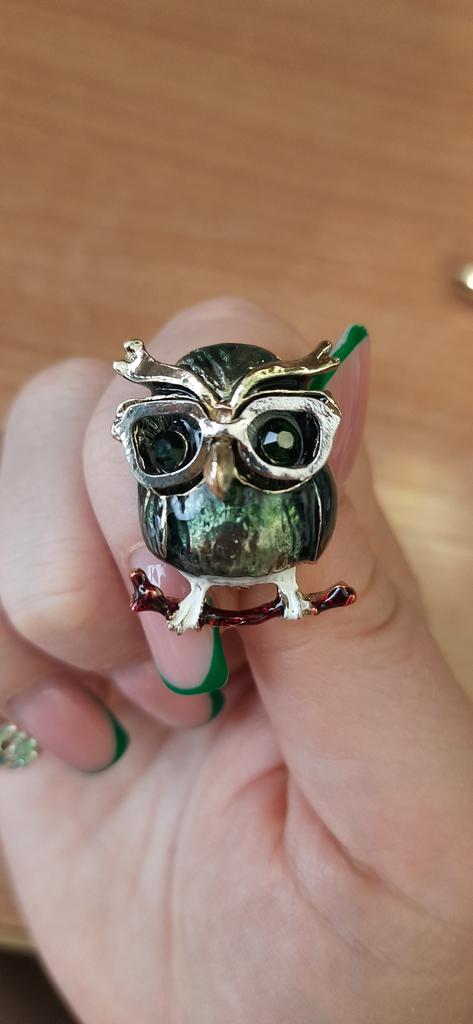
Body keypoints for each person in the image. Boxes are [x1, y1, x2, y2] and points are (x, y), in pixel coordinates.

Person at [0, 298, 472, 1023]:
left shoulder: (305, 499)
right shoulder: (165, 508)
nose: (220, 475)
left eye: (272, 433)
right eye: (178, 440)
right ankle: (193, 591)